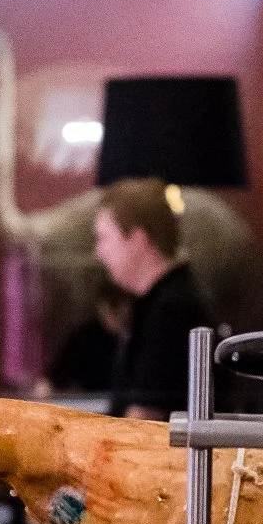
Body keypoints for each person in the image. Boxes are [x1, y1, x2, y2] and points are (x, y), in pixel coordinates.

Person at [94, 177, 212, 420]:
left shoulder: (173, 311)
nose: (99, 251)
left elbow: (144, 418)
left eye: (104, 237)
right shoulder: (156, 303)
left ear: (138, 239)